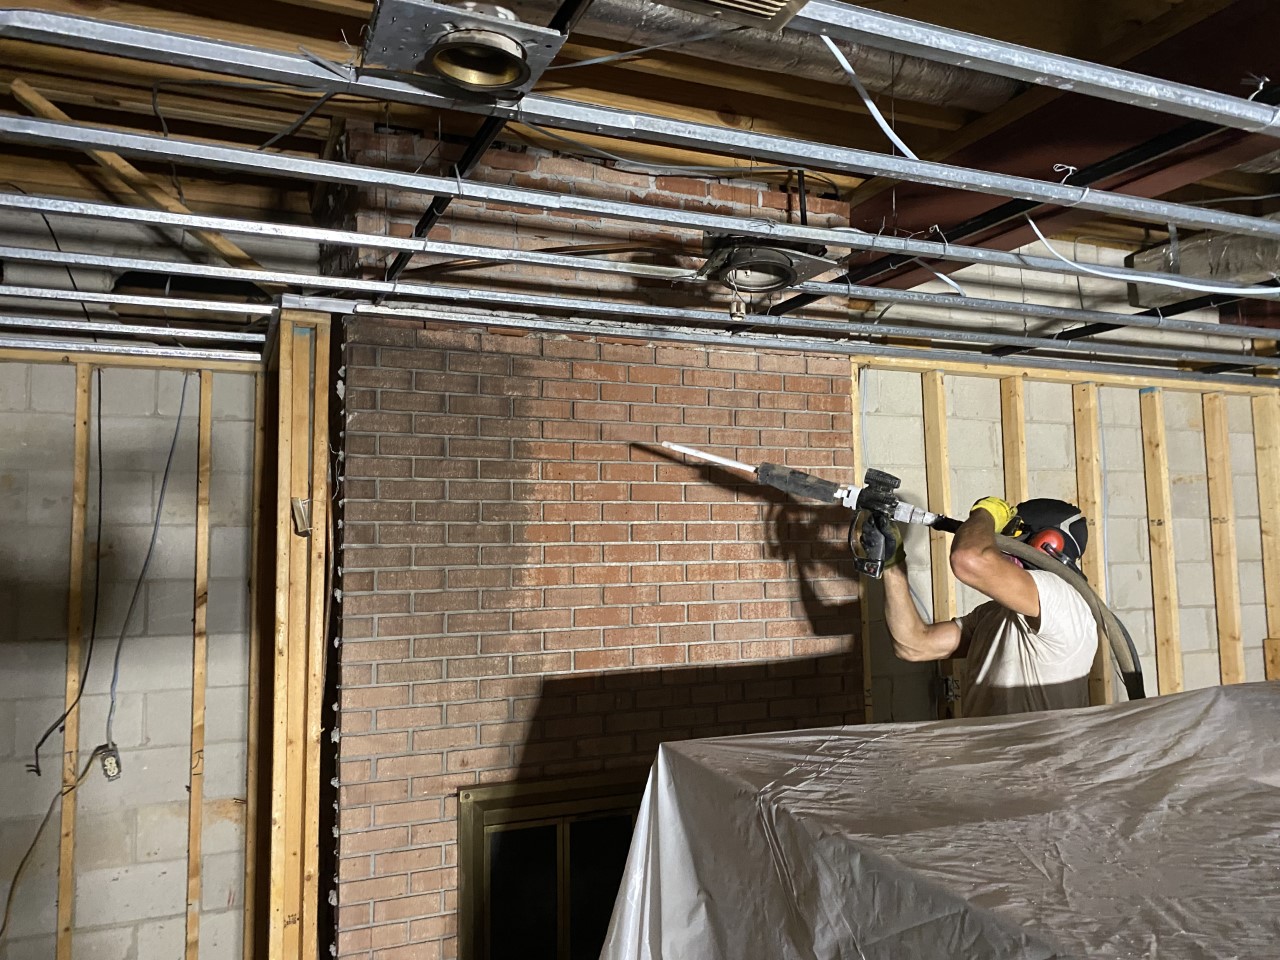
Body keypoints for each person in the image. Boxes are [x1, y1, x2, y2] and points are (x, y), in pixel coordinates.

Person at [878, 495, 1098, 718]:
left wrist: (986, 512)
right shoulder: (997, 613)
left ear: (1048, 544)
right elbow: (914, 644)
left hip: (1036, 753)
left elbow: (969, 559)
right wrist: (892, 564)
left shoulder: (1063, 598)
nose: (999, 547)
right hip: (987, 752)